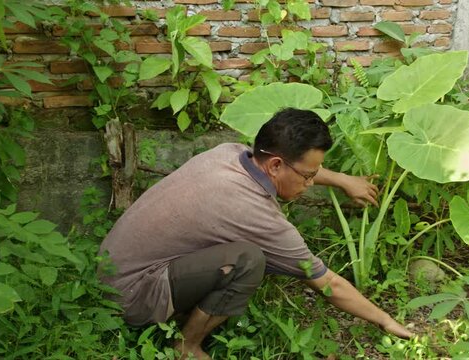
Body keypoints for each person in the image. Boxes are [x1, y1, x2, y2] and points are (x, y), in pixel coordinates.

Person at [98, 108, 413, 359]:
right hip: (129, 297)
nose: (310, 183)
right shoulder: (253, 212)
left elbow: (294, 166)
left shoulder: (231, 153)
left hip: (108, 273)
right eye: (309, 176)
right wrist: (384, 320)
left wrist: (342, 179)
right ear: (275, 165)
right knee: (248, 260)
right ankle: (186, 347)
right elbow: (326, 282)